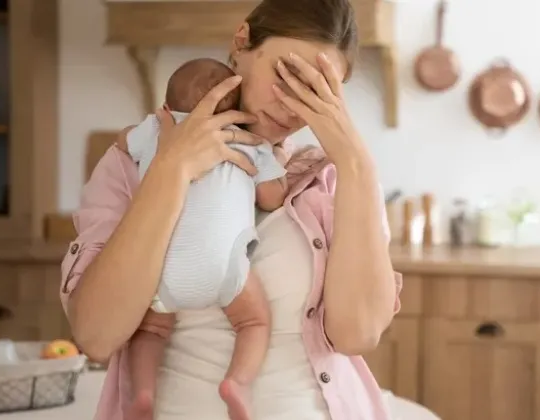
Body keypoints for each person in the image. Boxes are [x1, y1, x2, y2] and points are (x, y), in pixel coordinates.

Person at [60, 0, 410, 418]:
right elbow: (97, 335)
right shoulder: (133, 163)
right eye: (286, 74)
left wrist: (355, 161)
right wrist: (170, 172)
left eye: (316, 91)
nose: (290, 105)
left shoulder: (329, 181)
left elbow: (358, 332)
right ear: (242, 41)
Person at [123, 57, 290, 420]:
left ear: (168, 107)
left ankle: (142, 394)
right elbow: (272, 198)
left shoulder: (157, 129)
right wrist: (277, 159)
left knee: (149, 329)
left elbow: (124, 146)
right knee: (253, 322)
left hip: (161, 262)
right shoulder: (249, 141)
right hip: (224, 265)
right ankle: (237, 383)